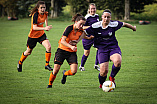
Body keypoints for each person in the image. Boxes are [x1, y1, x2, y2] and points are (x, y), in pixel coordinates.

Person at [84, 9, 136, 88]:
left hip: (113, 47)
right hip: (102, 49)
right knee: (103, 72)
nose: (106, 19)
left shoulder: (114, 24)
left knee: (118, 61)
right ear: (102, 17)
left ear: (110, 18)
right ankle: (102, 84)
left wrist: (133, 28)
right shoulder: (95, 26)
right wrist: (76, 41)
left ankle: (112, 77)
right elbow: (84, 33)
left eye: (108, 17)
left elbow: (124, 24)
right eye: (104, 17)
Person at [47, 13, 93, 88]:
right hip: (62, 50)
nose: (81, 26)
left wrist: (88, 38)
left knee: (74, 71)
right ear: (76, 22)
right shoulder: (69, 28)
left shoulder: (81, 30)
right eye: (80, 24)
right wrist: (71, 46)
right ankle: (50, 84)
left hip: (71, 52)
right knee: (55, 70)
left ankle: (65, 74)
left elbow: (82, 35)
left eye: (83, 24)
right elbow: (62, 41)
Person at [17, 1, 53, 72]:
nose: (43, 9)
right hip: (33, 36)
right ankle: (20, 62)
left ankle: (47, 65)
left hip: (41, 35)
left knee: (48, 47)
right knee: (28, 52)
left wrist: (46, 26)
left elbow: (46, 18)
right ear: (38, 8)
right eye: (41, 8)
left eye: (44, 7)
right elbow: (34, 27)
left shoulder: (45, 13)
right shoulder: (35, 15)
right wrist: (44, 28)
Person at [79, 3, 100, 71]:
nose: (93, 10)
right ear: (89, 10)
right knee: (86, 53)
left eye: (94, 8)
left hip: (95, 36)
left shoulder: (97, 16)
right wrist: (91, 27)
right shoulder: (87, 17)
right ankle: (81, 66)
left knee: (99, 49)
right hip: (87, 37)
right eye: (91, 9)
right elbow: (82, 27)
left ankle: (96, 65)